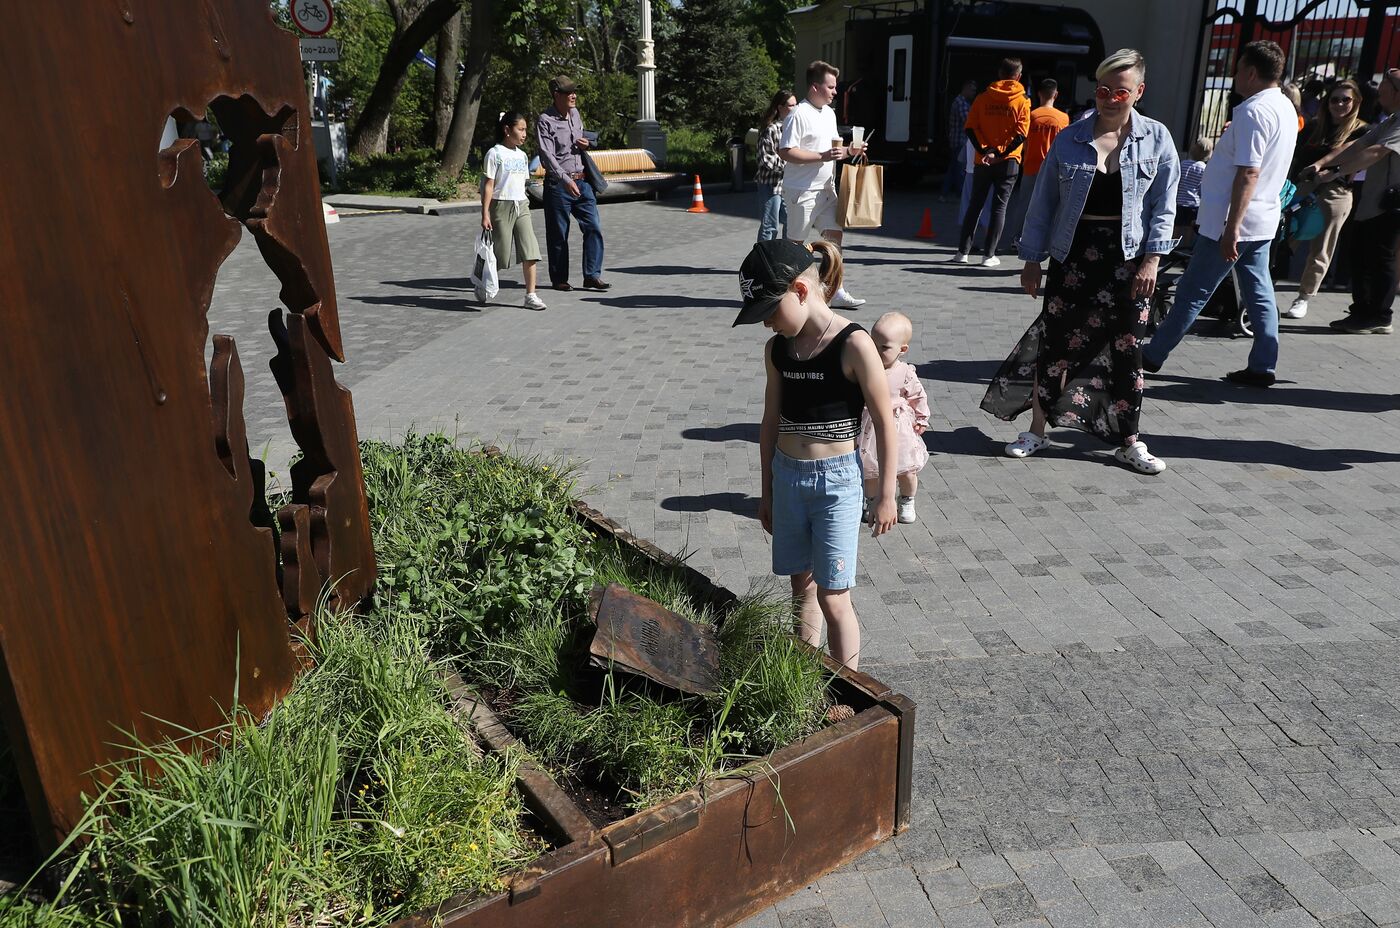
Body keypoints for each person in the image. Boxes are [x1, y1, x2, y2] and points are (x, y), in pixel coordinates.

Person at [981, 48, 1179, 476]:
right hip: (1074, 253)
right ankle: (1036, 430)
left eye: (1120, 91)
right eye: (1103, 89)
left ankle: (1129, 440)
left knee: (1128, 349)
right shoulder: (1072, 136)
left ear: (1138, 92)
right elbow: (1044, 201)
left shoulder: (1158, 138)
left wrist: (1153, 260)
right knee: (1055, 343)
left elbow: (1165, 206)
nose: (1110, 98)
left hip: (1129, 259)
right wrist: (1031, 259)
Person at [732, 239, 896, 671]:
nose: (767, 325)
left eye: (769, 311)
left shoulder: (854, 344)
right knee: (800, 588)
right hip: (787, 478)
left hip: (837, 482)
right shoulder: (777, 352)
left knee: (833, 594)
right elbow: (770, 422)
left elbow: (884, 421)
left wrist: (887, 494)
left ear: (800, 291)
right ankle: (803, 679)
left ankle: (849, 693)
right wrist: (766, 492)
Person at [1142, 41, 1297, 387]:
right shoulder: (1284, 106)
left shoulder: (1254, 111)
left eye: (1238, 68)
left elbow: (1249, 172)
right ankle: (1262, 364)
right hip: (1261, 218)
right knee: (1259, 291)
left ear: (1252, 73)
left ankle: (1153, 354)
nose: (1234, 75)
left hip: (1232, 222)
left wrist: (1232, 228)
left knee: (1194, 291)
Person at [1299, 67, 1400, 335]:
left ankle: (1379, 314)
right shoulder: (1390, 120)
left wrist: (1333, 172)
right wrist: (1320, 163)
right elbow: (1356, 146)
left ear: (1395, 91)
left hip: (1390, 204)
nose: (1379, 89)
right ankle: (1363, 312)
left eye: (1385, 85)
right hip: (1373, 202)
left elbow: (1376, 152)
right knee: (1361, 255)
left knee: (1380, 258)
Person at [779, 60, 868, 309]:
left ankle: (834, 289)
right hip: (802, 190)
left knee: (835, 238)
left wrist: (850, 151)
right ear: (815, 87)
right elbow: (785, 151)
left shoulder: (829, 113)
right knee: (796, 244)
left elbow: (832, 151)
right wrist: (822, 156)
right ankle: (790, 292)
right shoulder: (799, 114)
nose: (836, 92)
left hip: (827, 189)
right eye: (831, 87)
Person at [1284, 79, 1368, 320]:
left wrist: (1330, 172)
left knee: (1321, 248)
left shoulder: (1362, 131)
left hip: (1336, 192)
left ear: (1356, 102)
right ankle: (1264, 283)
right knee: (1286, 237)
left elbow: (1359, 161)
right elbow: (1296, 157)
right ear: (1326, 101)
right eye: (1334, 99)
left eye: (1346, 99)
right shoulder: (1313, 128)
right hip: (1304, 188)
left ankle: (1304, 297)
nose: (1340, 104)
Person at [953, 58, 1031, 267]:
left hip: (983, 160)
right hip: (1008, 161)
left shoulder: (982, 98)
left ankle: (963, 252)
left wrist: (985, 150)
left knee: (975, 204)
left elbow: (970, 128)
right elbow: (1021, 134)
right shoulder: (1022, 101)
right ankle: (988, 255)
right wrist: (1000, 151)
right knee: (999, 207)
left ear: (999, 73)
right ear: (1019, 76)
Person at [536, 75, 609, 293]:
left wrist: (588, 143)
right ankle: (559, 279)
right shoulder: (545, 120)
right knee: (558, 234)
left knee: (593, 227)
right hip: (558, 185)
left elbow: (581, 141)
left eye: (574, 92)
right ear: (557, 95)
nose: (574, 96)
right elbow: (546, 156)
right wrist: (565, 180)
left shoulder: (575, 114)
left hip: (583, 181)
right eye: (569, 93)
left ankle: (592, 275)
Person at [857, 312, 929, 525]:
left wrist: (922, 417)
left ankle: (907, 499)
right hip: (870, 427)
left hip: (899, 428)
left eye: (884, 347)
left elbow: (917, 395)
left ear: (902, 350)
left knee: (906, 470)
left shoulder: (905, 372)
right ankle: (871, 501)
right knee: (871, 471)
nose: (877, 351)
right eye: (874, 344)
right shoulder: (864, 367)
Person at [481, 112, 547, 311]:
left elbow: (522, 182)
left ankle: (530, 295)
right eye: (521, 129)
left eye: (525, 129)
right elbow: (488, 186)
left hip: (521, 206)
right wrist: (485, 213)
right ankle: (481, 279)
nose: (524, 134)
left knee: (530, 250)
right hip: (501, 206)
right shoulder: (495, 153)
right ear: (507, 130)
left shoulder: (522, 155)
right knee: (500, 256)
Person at [1004, 78, 1069, 252]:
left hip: (1031, 166)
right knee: (1053, 206)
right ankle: (1048, 241)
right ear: (1055, 94)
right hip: (1053, 168)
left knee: (1024, 204)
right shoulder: (1063, 118)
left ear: (1039, 94)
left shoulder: (1031, 116)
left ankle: (1017, 238)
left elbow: (1022, 142)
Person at [756, 90, 796, 242]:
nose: (795, 108)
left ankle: (786, 259)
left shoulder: (793, 127)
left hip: (788, 184)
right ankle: (763, 262)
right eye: (791, 105)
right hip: (770, 184)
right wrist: (791, 163)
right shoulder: (771, 129)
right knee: (770, 226)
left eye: (796, 104)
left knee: (791, 224)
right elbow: (766, 159)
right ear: (780, 107)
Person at [941, 80, 977, 200]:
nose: (974, 93)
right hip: (960, 141)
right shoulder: (961, 103)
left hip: (958, 141)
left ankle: (944, 194)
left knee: (953, 168)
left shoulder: (963, 102)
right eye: (972, 90)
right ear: (965, 89)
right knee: (960, 169)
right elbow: (968, 121)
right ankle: (961, 194)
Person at [1176, 136, 1213, 234]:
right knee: (1190, 228)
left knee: (1176, 226)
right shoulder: (1204, 169)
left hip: (1178, 201)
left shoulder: (1183, 164)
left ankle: (1174, 246)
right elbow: (1202, 189)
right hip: (1194, 203)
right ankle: (1186, 247)